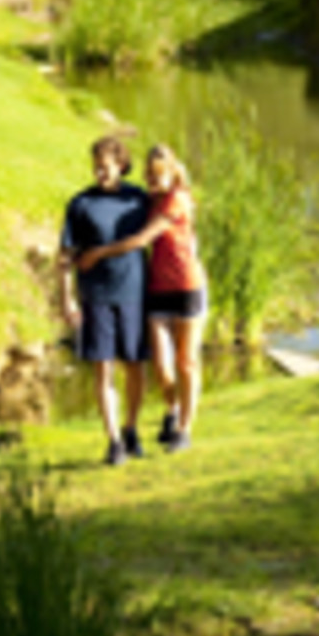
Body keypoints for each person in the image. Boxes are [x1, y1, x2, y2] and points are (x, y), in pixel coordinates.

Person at [76, 143, 207, 452]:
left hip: (187, 287)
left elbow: (141, 240)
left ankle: (183, 430)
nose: (152, 179)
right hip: (157, 289)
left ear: (172, 172)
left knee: (186, 362)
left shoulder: (177, 199)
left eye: (158, 173)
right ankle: (172, 409)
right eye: (149, 173)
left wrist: (99, 254)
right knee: (162, 365)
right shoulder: (149, 201)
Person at [58, 136, 152, 466]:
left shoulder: (138, 199)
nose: (100, 172)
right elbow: (65, 256)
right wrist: (66, 299)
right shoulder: (80, 204)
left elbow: (170, 212)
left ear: (121, 165)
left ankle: (131, 428)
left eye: (106, 166)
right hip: (95, 296)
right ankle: (113, 441)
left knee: (135, 367)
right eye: (96, 166)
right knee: (103, 369)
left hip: (134, 293)